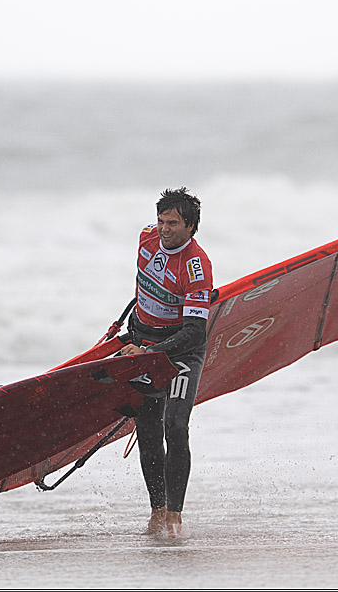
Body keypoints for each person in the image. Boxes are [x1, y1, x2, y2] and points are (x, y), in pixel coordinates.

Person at [118, 187, 213, 538]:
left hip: (181, 351)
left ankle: (175, 513)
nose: (164, 229)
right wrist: (135, 339)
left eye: (173, 223)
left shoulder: (197, 266)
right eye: (161, 221)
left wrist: (150, 354)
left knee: (175, 424)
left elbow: (194, 331)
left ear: (190, 227)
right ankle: (156, 509)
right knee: (146, 427)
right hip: (143, 340)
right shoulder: (146, 238)